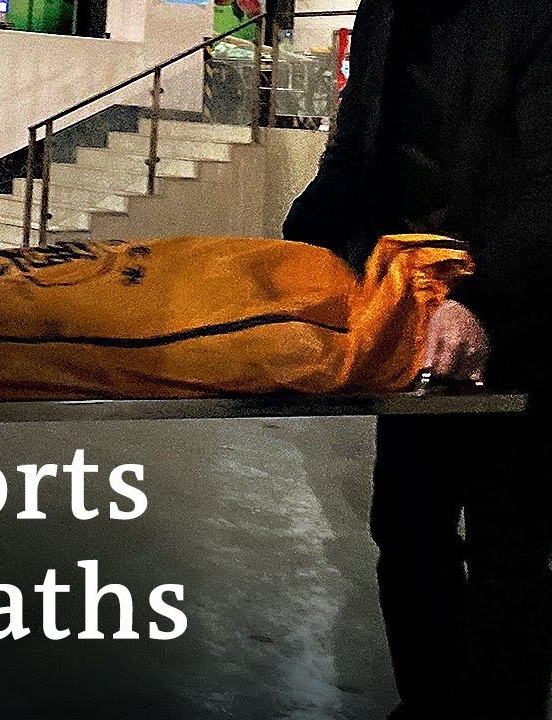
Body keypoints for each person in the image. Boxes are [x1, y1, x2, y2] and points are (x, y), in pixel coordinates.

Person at [284, 1, 552, 718]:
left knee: (509, 550)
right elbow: (355, 155)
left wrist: (476, 300)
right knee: (407, 531)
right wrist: (289, 252)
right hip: (416, 312)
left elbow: (545, 189)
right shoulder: (387, 10)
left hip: (521, 317)